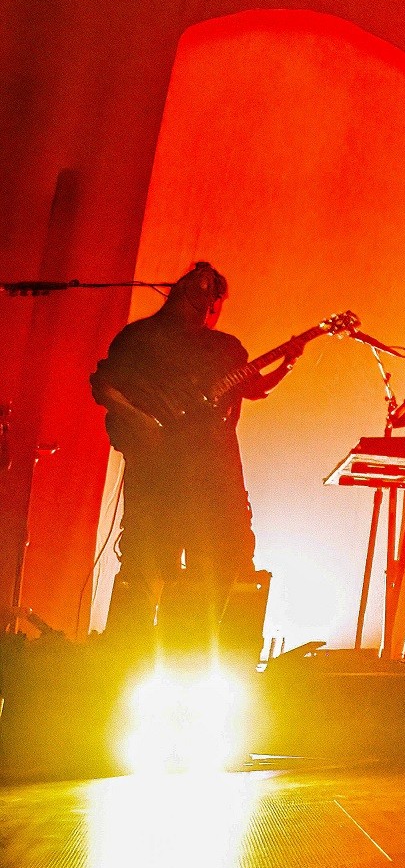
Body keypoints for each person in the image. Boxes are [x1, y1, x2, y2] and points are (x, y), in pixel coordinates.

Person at [89, 263, 295, 637]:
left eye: (209, 295)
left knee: (220, 561)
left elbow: (255, 387)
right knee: (148, 563)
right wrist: (142, 420)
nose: (204, 304)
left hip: (211, 472)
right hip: (164, 475)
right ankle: (125, 654)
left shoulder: (224, 348)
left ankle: (213, 650)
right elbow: (105, 386)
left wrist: (291, 358)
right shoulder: (139, 338)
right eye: (199, 292)